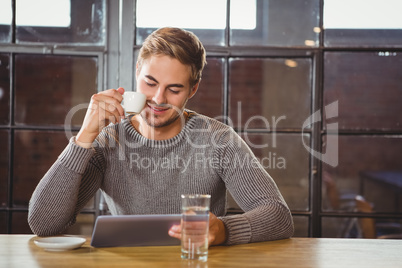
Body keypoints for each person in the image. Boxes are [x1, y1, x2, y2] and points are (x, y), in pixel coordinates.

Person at [28, 27, 294, 245]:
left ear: (193, 89)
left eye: (174, 89)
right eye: (150, 83)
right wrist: (84, 137)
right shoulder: (108, 142)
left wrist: (223, 230)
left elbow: (279, 217)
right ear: (136, 73)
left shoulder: (219, 140)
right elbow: (43, 223)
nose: (158, 99)